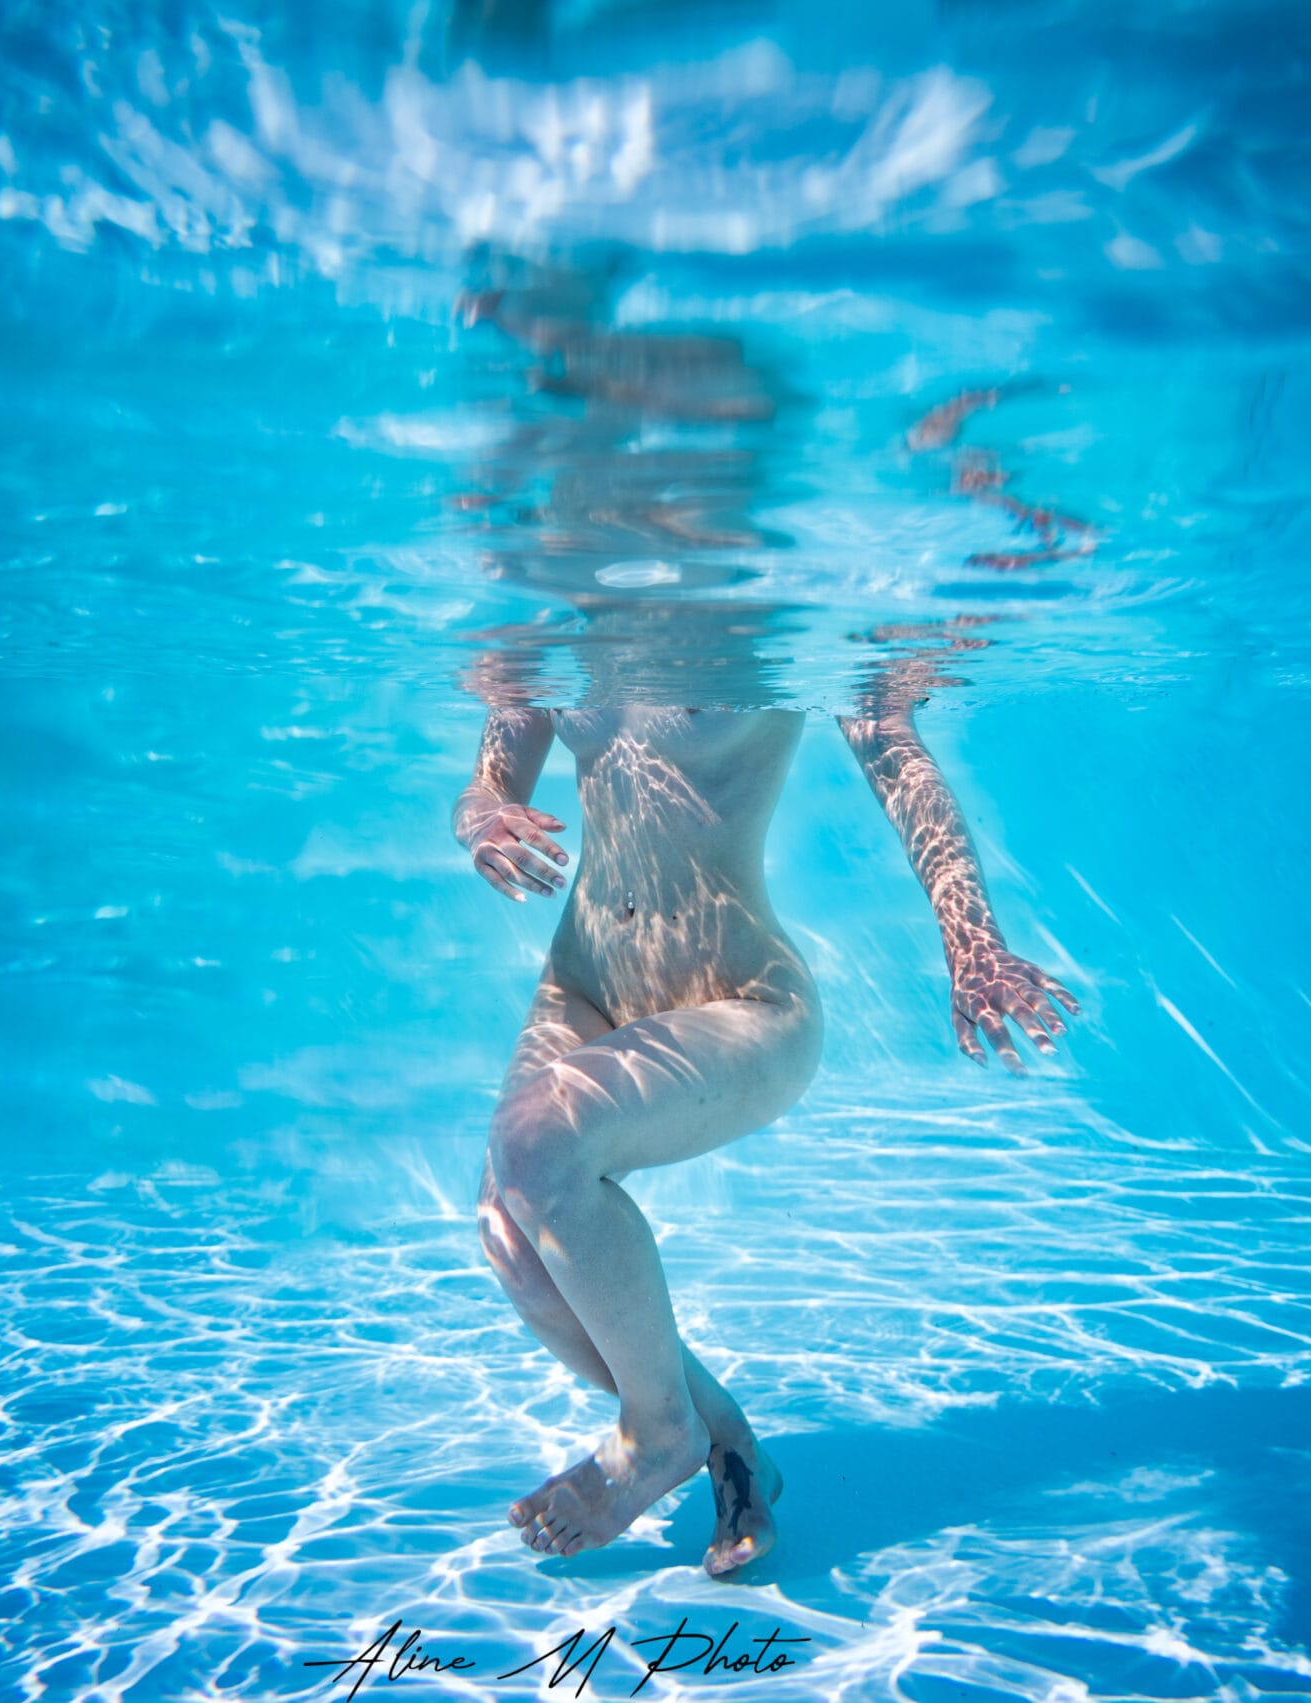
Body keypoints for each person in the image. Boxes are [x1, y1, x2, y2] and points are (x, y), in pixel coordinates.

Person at [448, 269, 1082, 1576]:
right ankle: (720, 1446)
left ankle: (654, 1430)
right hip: (586, 986)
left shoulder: (781, 595)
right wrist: (481, 810)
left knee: (536, 1143)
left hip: (739, 1001)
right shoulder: (553, 590)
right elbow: (504, 739)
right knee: (514, 1230)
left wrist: (972, 942)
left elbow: (892, 742)